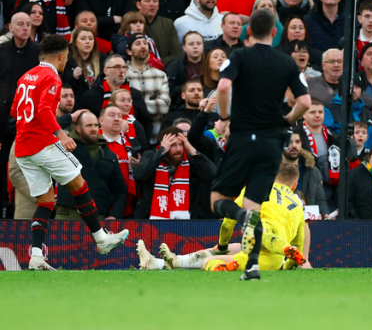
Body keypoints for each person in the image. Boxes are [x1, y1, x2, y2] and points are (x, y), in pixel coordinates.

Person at [210, 9, 311, 280]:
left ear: (249, 31)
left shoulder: (239, 56)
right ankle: (252, 266)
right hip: (271, 143)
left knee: (218, 200)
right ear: (275, 33)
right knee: (254, 206)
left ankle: (243, 221)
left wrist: (223, 118)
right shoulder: (287, 63)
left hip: (244, 138)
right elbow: (304, 102)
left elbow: (222, 88)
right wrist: (285, 121)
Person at [13, 35, 128, 270]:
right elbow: (45, 110)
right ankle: (101, 239)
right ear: (62, 55)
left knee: (45, 201)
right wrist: (61, 135)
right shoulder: (51, 76)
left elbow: (16, 110)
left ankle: (36, 257)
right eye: (67, 57)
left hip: (23, 148)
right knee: (79, 183)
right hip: (41, 143)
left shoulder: (27, 76)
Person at [137, 161, 308, 271]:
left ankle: (226, 265)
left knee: (211, 259)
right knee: (234, 247)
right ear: (295, 185)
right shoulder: (298, 206)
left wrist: (222, 244)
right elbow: (299, 244)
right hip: (275, 258)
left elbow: (228, 222)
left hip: (262, 253)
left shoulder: (256, 188)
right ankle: (165, 262)